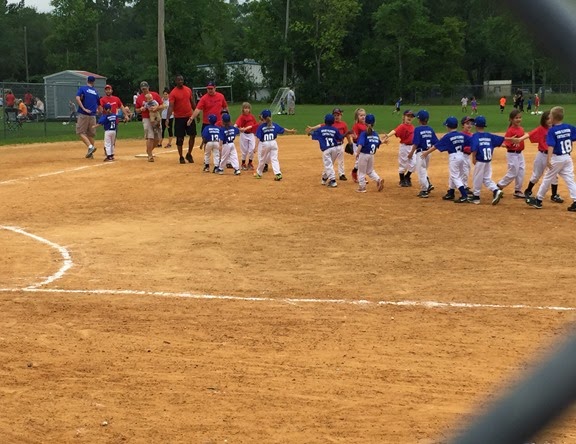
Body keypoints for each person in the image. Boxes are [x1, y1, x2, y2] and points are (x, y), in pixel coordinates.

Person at [526, 106, 576, 211]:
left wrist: (548, 159)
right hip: (567, 157)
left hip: (557, 158)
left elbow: (551, 146)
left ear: (553, 118)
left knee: (547, 178)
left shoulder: (552, 130)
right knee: (570, 179)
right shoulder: (568, 127)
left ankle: (538, 200)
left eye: (550, 116)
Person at [514, 111, 564, 203]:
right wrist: (520, 139)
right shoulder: (541, 129)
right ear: (543, 120)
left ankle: (554, 195)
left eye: (550, 118)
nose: (549, 121)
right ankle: (528, 190)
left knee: (554, 175)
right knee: (536, 175)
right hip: (542, 155)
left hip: (553, 155)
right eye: (547, 119)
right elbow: (529, 134)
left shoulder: (555, 129)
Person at [421, 116, 471, 203]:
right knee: (454, 175)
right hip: (462, 156)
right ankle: (451, 192)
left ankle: (464, 195)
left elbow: (436, 146)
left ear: (448, 126)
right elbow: (471, 141)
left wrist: (426, 153)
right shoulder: (461, 135)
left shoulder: (447, 136)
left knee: (455, 176)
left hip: (454, 157)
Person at [468, 116, 509, 205]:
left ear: (475, 125)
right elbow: (501, 140)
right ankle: (496, 190)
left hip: (480, 160)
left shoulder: (475, 136)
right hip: (488, 161)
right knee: (486, 178)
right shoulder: (489, 135)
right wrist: (511, 141)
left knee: (477, 178)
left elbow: (474, 147)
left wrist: (473, 158)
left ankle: (476, 197)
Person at [306, 107, 352, 181]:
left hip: (340, 145)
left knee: (341, 160)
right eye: (335, 115)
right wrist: (312, 128)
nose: (336, 117)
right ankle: (327, 175)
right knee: (331, 161)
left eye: (338, 115)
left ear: (341, 115)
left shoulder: (343, 124)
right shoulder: (331, 123)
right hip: (332, 146)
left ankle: (341, 174)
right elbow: (320, 125)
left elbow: (347, 135)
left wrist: (350, 143)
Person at [253, 109, 296, 181]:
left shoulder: (261, 126)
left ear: (262, 118)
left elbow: (258, 137)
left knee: (262, 159)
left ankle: (259, 173)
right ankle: (278, 173)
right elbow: (283, 129)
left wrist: (255, 147)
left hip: (265, 144)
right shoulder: (274, 125)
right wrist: (290, 131)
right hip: (273, 143)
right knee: (274, 159)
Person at [188, 81, 228, 151]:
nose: (210, 90)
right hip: (207, 123)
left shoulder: (221, 96)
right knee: (206, 141)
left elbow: (225, 107)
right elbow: (198, 109)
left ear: (215, 88)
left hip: (218, 123)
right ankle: (207, 156)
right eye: (208, 89)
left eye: (211, 89)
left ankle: (219, 156)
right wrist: (191, 118)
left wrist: (227, 118)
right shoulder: (204, 98)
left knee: (219, 141)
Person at [308, 113, 344, 188]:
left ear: (325, 121)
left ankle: (333, 181)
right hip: (335, 149)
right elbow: (340, 138)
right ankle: (324, 178)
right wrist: (347, 133)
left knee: (328, 164)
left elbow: (315, 135)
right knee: (329, 164)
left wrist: (310, 133)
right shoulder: (335, 129)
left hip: (326, 150)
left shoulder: (321, 129)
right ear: (333, 121)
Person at [408, 109, 438, 198]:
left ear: (419, 119)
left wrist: (411, 153)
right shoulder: (430, 129)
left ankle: (424, 190)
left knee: (421, 171)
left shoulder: (417, 129)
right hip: (428, 152)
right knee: (424, 170)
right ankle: (428, 185)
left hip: (420, 153)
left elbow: (416, 143)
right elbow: (436, 142)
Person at [496, 109, 526, 199]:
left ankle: (518, 190)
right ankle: (498, 187)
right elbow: (506, 143)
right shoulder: (510, 130)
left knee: (521, 171)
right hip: (512, 154)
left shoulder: (521, 129)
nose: (518, 119)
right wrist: (502, 144)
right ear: (511, 119)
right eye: (516, 118)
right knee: (513, 172)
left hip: (520, 153)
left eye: (520, 117)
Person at [167, 75, 197, 164]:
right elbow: (171, 106)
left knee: (192, 135)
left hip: (189, 116)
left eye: (181, 80)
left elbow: (192, 102)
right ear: (176, 81)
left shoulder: (188, 90)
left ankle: (189, 154)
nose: (180, 81)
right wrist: (167, 118)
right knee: (180, 138)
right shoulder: (173, 93)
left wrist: (196, 113)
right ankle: (181, 156)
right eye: (178, 80)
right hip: (179, 118)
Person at [384, 109, 416, 187]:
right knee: (403, 164)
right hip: (404, 147)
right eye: (408, 116)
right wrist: (387, 135)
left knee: (414, 163)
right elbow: (395, 131)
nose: (409, 117)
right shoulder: (402, 126)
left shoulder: (413, 127)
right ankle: (402, 180)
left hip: (412, 147)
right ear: (404, 117)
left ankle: (407, 177)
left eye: (411, 116)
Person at [135, 81, 164, 162]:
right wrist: (140, 109)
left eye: (145, 88)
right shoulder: (139, 98)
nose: (144, 90)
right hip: (146, 118)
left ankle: (149, 150)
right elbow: (136, 110)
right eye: (143, 89)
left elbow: (162, 105)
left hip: (156, 117)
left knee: (158, 138)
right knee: (150, 137)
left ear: (148, 87)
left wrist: (156, 108)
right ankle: (150, 155)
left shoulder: (155, 95)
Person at [355, 113, 384, 193]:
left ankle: (362, 187)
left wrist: (357, 153)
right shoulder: (376, 134)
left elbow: (360, 144)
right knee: (370, 171)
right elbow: (378, 143)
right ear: (374, 123)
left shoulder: (364, 133)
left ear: (365, 122)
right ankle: (378, 179)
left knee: (361, 172)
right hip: (371, 155)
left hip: (364, 154)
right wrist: (384, 141)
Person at [75, 75, 100, 158]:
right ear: (93, 82)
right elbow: (98, 104)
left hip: (84, 114)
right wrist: (98, 111)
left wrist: (83, 108)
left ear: (87, 81)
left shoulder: (83, 89)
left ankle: (90, 147)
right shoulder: (95, 92)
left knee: (80, 132)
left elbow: (77, 98)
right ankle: (91, 154)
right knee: (91, 134)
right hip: (93, 116)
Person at [235, 102, 258, 170]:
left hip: (251, 134)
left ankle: (250, 163)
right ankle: (243, 163)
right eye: (245, 108)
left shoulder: (252, 116)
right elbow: (236, 125)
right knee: (244, 150)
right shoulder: (241, 117)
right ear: (243, 109)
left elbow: (255, 125)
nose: (247, 109)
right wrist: (239, 129)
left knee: (252, 149)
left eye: (248, 108)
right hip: (244, 134)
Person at [350, 108, 367, 182]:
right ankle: (361, 177)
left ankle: (355, 172)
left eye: (364, 115)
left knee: (361, 160)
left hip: (364, 145)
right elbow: (355, 136)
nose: (363, 117)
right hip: (357, 145)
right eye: (361, 115)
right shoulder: (356, 126)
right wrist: (355, 137)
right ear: (357, 117)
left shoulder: (366, 125)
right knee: (360, 160)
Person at [460, 116, 475, 191]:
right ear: (463, 125)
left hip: (467, 156)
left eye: (471, 124)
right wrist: (470, 148)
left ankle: (463, 185)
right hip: (462, 155)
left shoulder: (471, 135)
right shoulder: (461, 135)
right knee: (464, 172)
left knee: (467, 170)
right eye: (467, 123)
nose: (469, 125)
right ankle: (464, 187)